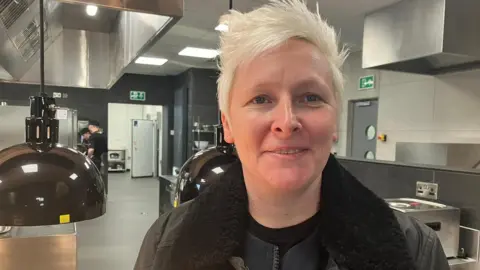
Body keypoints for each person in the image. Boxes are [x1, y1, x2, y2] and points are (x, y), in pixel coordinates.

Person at [134, 1, 450, 269]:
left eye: (310, 97)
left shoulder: (416, 251)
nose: (287, 122)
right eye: (261, 99)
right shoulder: (166, 244)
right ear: (227, 124)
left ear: (335, 120)